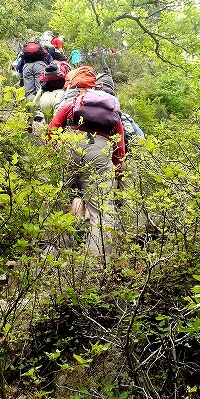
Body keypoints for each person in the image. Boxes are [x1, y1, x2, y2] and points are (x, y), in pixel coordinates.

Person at [47, 71, 125, 262]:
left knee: (56, 201)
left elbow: (52, 129)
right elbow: (119, 149)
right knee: (101, 211)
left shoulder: (73, 104)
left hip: (69, 147)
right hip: (99, 153)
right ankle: (96, 262)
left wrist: (54, 153)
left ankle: (52, 254)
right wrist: (114, 172)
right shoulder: (113, 113)